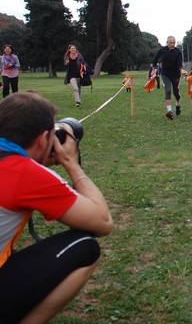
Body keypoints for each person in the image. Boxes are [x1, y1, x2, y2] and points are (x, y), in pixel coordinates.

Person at [0, 92, 113, 323]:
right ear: (43, 139)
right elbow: (102, 222)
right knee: (85, 247)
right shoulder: (24, 172)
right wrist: (71, 163)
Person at [152, 36, 187, 120]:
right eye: (171, 43)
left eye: (174, 43)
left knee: (176, 93)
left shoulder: (178, 51)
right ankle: (169, 111)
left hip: (175, 75)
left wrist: (182, 70)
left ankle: (178, 104)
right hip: (165, 74)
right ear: (167, 42)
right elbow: (155, 59)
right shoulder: (162, 50)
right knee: (168, 91)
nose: (172, 44)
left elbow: (179, 63)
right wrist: (154, 68)